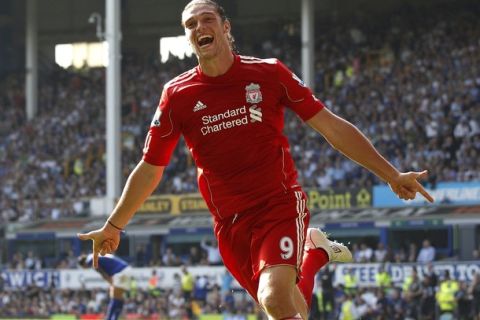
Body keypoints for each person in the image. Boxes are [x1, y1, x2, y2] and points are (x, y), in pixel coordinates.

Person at [77, 1, 434, 319]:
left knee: (275, 298)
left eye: (207, 19)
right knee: (292, 309)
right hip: (230, 224)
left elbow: (331, 127)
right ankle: (317, 253)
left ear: (225, 27)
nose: (199, 28)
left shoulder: (268, 74)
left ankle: (312, 251)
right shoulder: (177, 95)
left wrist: (390, 174)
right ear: (187, 38)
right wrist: (114, 225)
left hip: (277, 205)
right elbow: (151, 167)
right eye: (190, 25)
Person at [77, 253, 131, 320]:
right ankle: (114, 318)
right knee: (119, 297)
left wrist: (110, 282)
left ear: (83, 265)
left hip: (120, 271)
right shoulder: (94, 255)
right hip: (125, 269)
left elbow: (102, 272)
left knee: (114, 296)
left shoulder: (90, 260)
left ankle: (109, 318)